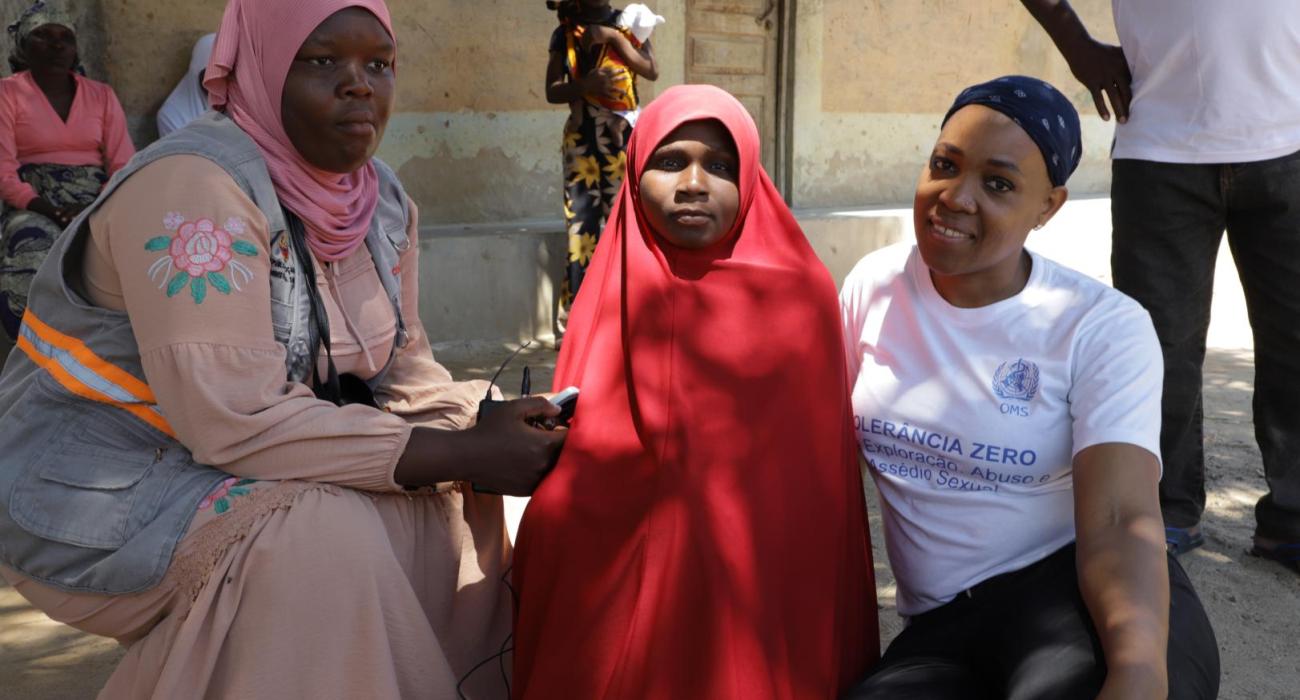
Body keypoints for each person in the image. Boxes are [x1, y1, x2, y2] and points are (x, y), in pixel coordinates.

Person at [0, 0, 565, 697]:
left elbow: (406, 376)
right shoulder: (194, 187)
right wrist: (461, 452)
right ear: (258, 68)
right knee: (319, 537)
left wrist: (496, 426)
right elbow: (233, 417)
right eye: (322, 61)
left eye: (378, 65)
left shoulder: (379, 200)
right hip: (97, 487)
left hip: (227, 460)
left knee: (465, 493)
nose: (359, 85)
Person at [839, 77, 1219, 699]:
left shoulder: (1100, 325)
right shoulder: (875, 286)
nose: (955, 198)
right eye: (945, 165)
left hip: (1075, 598)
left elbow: (1122, 518)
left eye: (998, 183)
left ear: (1048, 206)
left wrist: (1140, 672)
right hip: (939, 626)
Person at [512, 84, 878, 699]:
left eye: (720, 166)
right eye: (670, 161)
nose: (693, 184)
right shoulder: (612, 287)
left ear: (752, 178)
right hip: (625, 580)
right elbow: (583, 463)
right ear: (634, 174)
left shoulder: (798, 293)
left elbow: (816, 493)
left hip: (754, 585)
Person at [1020, 0, 1300, 570]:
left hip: (1289, 144)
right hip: (1162, 148)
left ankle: (1292, 520)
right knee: (1158, 346)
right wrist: (1074, 42)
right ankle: (1165, 507)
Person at [0, 0, 134, 339]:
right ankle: (35, 351)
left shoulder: (101, 95)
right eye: (43, 36)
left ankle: (111, 354)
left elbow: (123, 164)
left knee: (127, 253)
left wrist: (90, 209)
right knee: (30, 246)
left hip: (96, 202)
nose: (57, 45)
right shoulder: (7, 93)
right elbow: (3, 170)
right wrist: (51, 210)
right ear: (23, 47)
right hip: (33, 203)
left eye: (66, 37)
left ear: (75, 49)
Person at [544, 0, 657, 318]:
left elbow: (651, 70)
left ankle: (631, 308)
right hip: (582, 141)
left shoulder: (627, 22)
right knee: (582, 225)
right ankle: (578, 316)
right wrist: (584, 86)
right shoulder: (564, 32)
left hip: (622, 139)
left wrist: (614, 38)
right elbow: (552, 91)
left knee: (628, 222)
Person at [156, 33, 216, 138]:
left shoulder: (240, 105)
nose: (218, 81)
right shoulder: (173, 115)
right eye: (211, 73)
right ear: (195, 71)